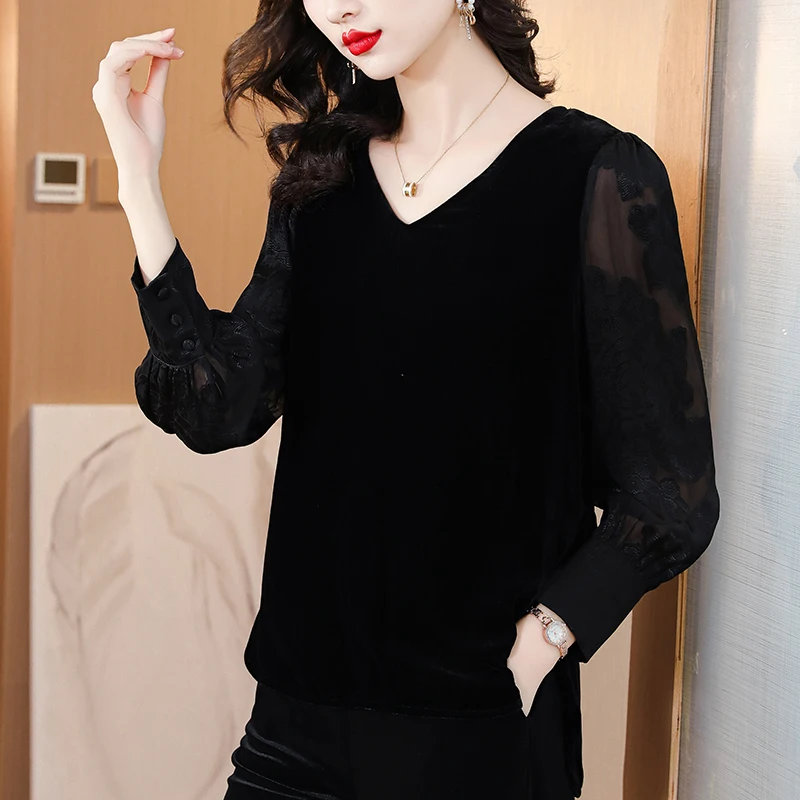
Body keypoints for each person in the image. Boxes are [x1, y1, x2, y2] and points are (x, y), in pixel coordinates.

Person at [92, 1, 720, 798]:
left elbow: (672, 494)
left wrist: (545, 640)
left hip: (483, 738)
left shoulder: (597, 174)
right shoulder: (324, 177)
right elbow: (220, 408)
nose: (339, 6)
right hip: (296, 727)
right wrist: (139, 183)